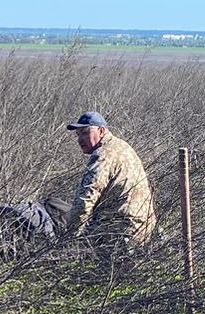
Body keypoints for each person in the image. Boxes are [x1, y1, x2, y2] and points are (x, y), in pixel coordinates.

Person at [63, 111, 157, 260]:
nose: (80, 139)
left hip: (120, 232)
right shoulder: (122, 146)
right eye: (78, 134)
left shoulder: (103, 155)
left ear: (101, 130)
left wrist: (71, 237)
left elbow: (86, 198)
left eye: (85, 133)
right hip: (144, 227)